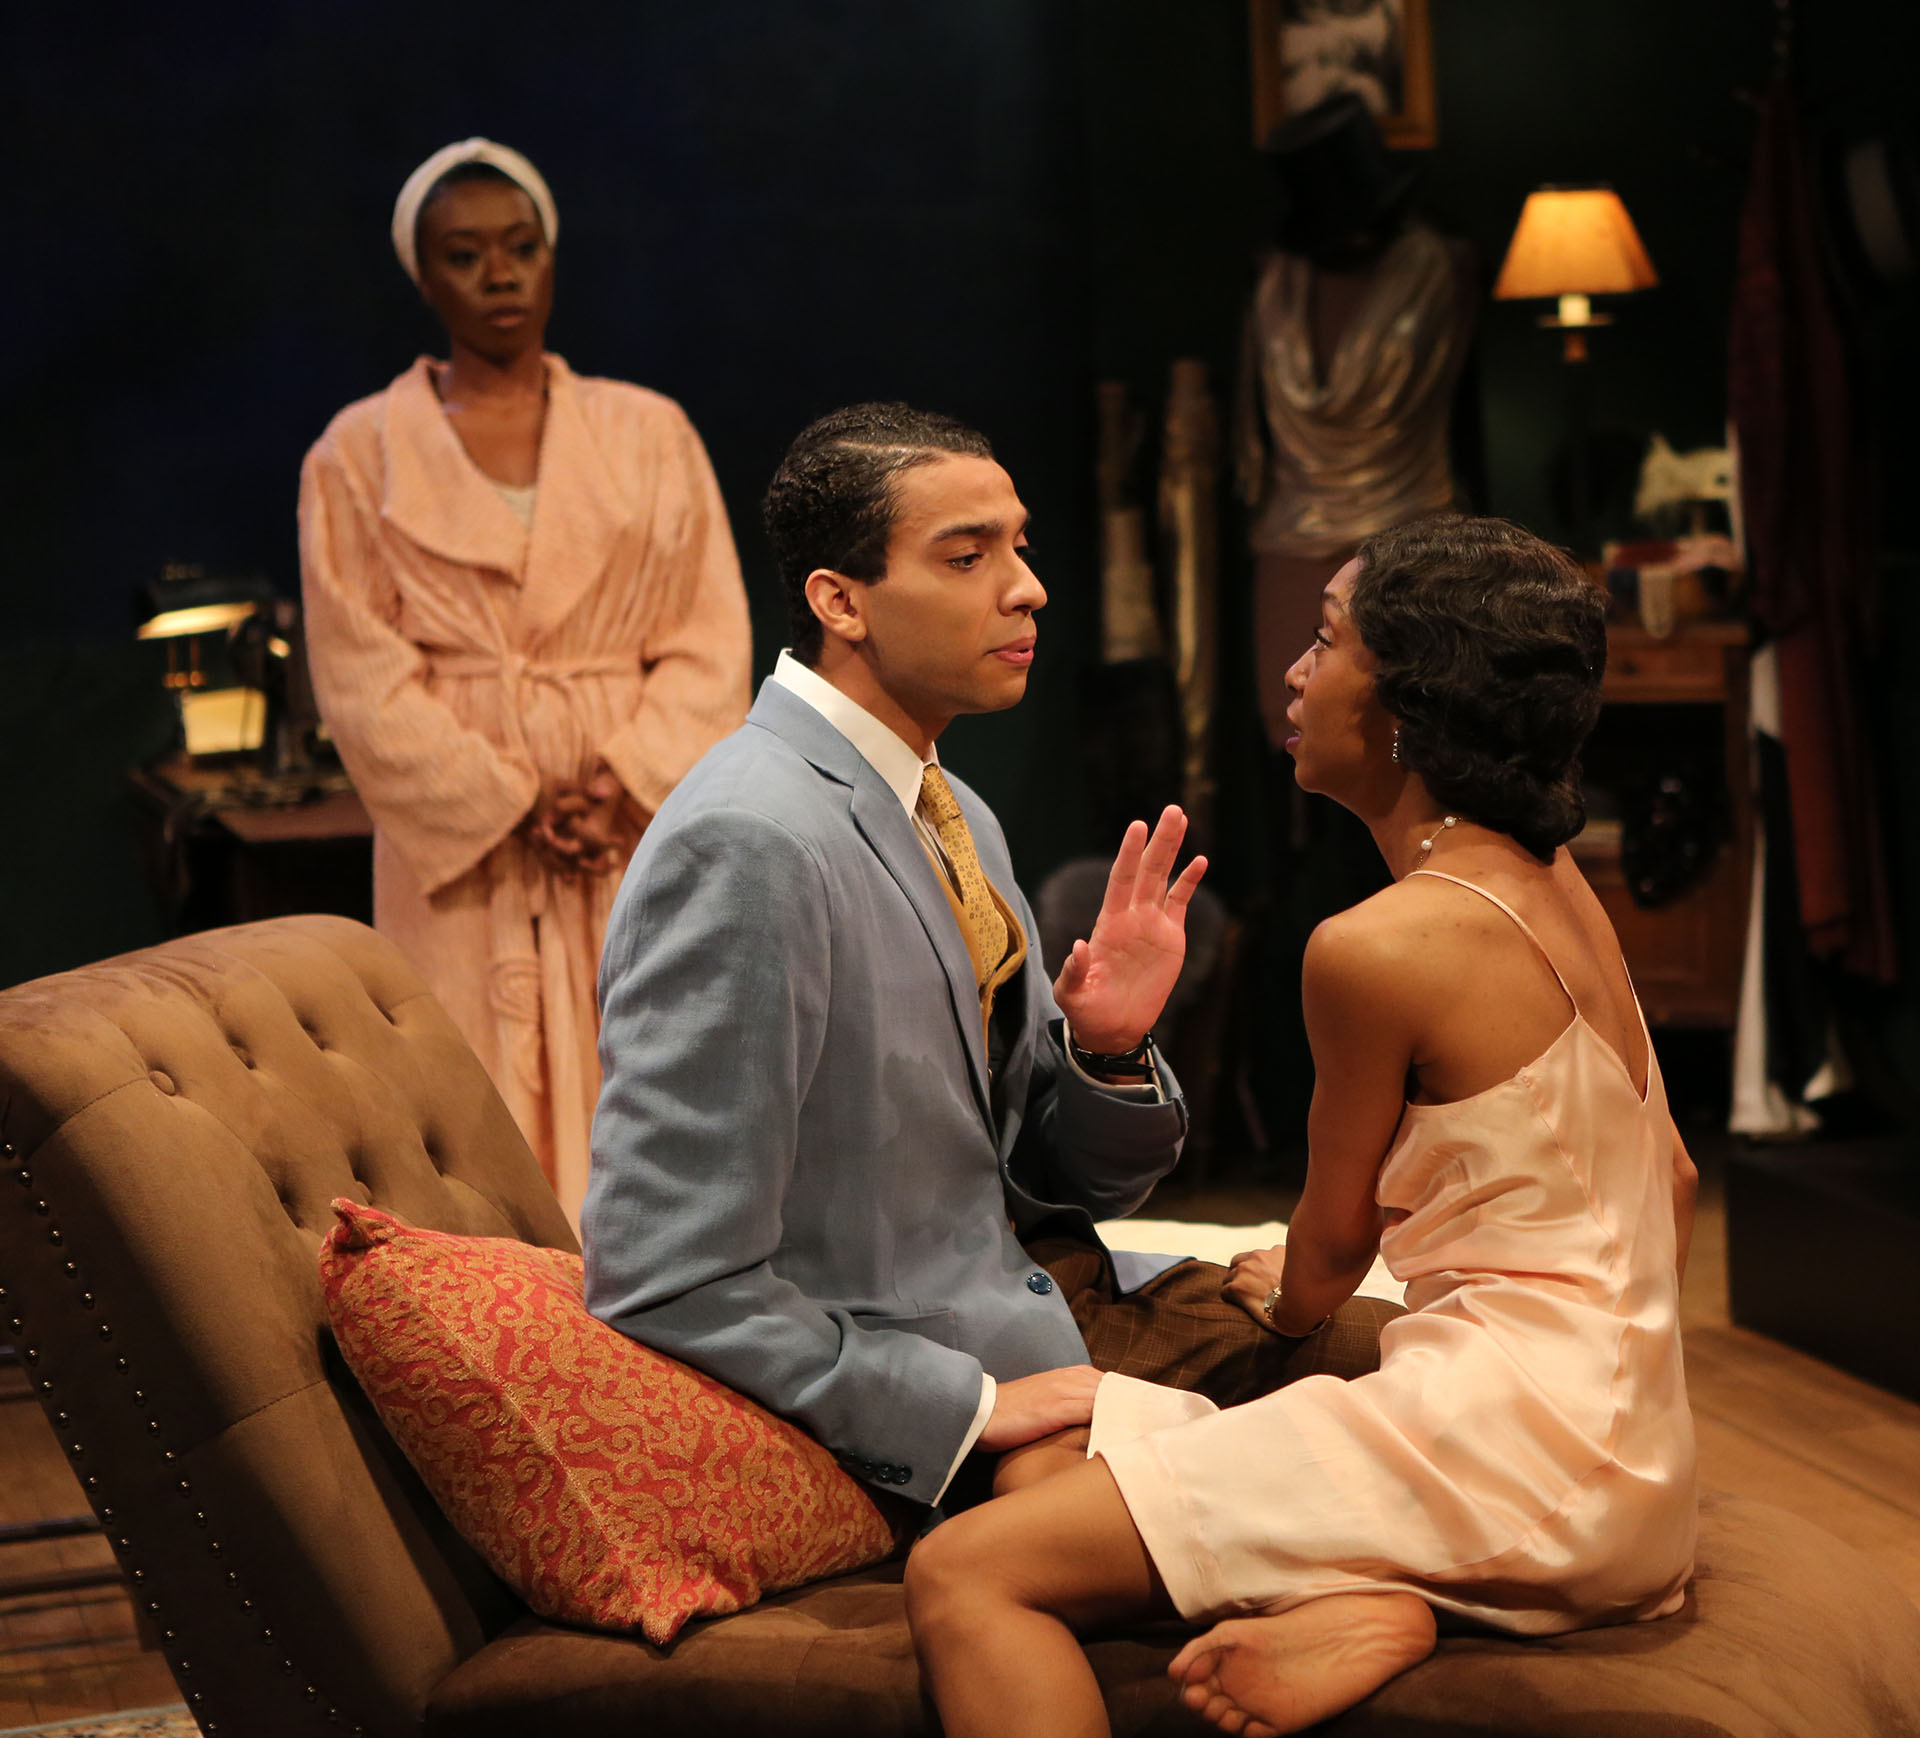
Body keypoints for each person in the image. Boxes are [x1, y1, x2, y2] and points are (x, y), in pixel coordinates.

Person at [905, 513, 1701, 1738]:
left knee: (966, 1571)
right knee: (1065, 1438)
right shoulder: (1561, 886)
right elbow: (1677, 1180)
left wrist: (1286, 1298)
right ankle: (1386, 1594)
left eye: (1326, 640)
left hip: (1514, 1456)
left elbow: (1329, 1254)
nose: (1293, 670)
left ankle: (1405, 1576)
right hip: (1639, 1461)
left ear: (1408, 703)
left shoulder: (1375, 947)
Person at [582, 403, 1397, 1514]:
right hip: (948, 1370)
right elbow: (661, 1276)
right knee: (1422, 1398)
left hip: (1049, 1296)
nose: (1028, 588)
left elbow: (1055, 1179)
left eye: (1020, 546)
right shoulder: (750, 838)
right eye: (967, 557)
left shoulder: (948, 803)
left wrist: (1106, 1051)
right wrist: (961, 1408)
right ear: (839, 601)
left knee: (1449, 1360)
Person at [299, 139, 751, 1223]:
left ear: (552, 256)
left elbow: (708, 635)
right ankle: (498, 1310)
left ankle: (667, 1298)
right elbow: (360, 674)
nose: (498, 275)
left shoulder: (650, 433)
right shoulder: (359, 454)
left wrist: (623, 781)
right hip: (466, 856)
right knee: (470, 1087)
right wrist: (507, 799)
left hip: (629, 831)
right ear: (423, 276)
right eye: (464, 256)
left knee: (654, 1064)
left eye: (521, 247)